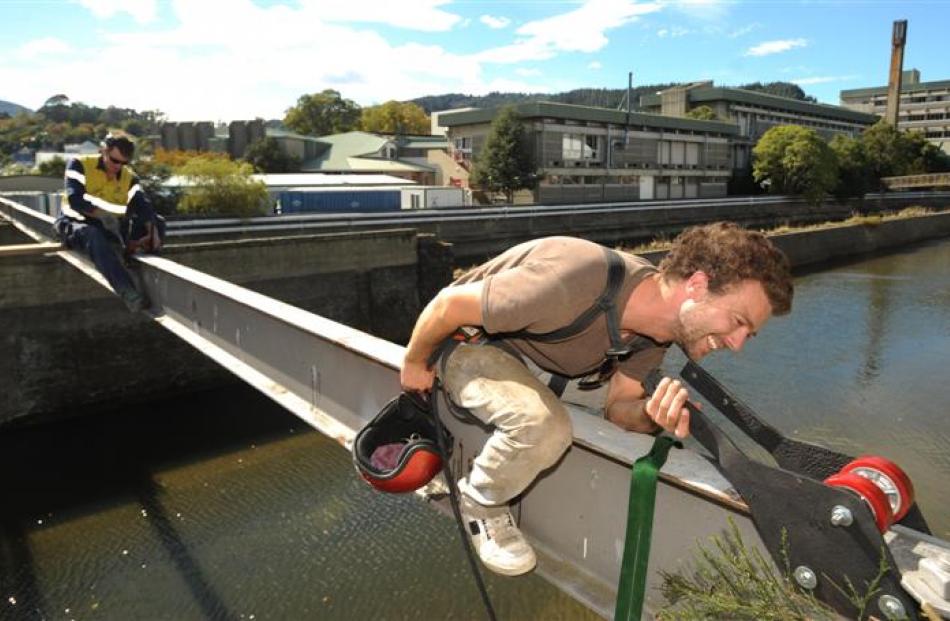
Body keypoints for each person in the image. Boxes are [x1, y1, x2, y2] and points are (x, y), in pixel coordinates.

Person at [400, 223, 793, 577]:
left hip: (543, 367)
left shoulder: (655, 334)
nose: (738, 344)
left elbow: (618, 411)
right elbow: (446, 306)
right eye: (739, 322)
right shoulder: (574, 278)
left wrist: (653, 415)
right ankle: (481, 502)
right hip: (468, 346)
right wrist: (416, 363)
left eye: (749, 334)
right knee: (544, 427)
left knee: (602, 417)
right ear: (697, 286)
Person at [54, 131, 165, 312]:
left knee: (158, 223)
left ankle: (134, 258)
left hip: (110, 229)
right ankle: (128, 291)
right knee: (92, 234)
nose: (118, 167)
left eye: (124, 163)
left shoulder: (129, 177)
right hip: (76, 223)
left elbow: (143, 206)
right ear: (103, 151)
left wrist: (152, 231)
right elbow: (75, 200)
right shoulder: (79, 165)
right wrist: (103, 216)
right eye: (114, 161)